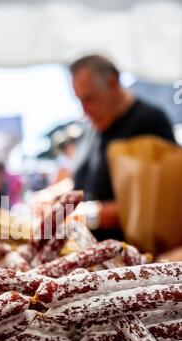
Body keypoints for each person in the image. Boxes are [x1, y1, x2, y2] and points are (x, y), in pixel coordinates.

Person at [70, 54, 175, 240]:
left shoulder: (149, 122)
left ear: (112, 83)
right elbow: (84, 180)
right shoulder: (91, 128)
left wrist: (88, 215)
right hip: (87, 247)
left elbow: (158, 201)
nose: (84, 110)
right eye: (79, 100)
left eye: (90, 98)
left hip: (132, 256)